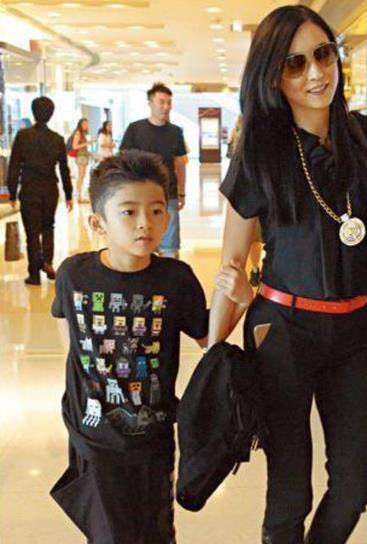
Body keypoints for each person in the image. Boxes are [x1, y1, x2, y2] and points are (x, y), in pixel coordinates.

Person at [208, 5, 367, 543]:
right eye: (295, 64)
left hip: (356, 329)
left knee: (355, 484)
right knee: (290, 492)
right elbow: (232, 262)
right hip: (283, 332)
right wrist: (213, 351)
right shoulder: (259, 152)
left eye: (323, 55)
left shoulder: (365, 136)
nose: (316, 73)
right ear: (272, 76)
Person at [49, 150, 209, 543]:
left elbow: (209, 339)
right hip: (93, 436)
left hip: (153, 436)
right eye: (129, 212)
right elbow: (67, 328)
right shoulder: (74, 274)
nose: (145, 223)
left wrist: (236, 298)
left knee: (156, 532)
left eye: (156, 211)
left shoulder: (176, 279)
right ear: (97, 222)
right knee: (110, 535)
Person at [7, 96, 73, 285]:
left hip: (30, 189)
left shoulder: (23, 136)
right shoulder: (57, 139)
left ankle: (34, 274)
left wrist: (12, 192)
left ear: (33, 112)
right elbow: (64, 169)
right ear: (51, 114)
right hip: (50, 189)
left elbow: (14, 166)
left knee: (32, 233)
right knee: (48, 226)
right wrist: (68, 194)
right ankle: (47, 262)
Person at [120, 82, 187, 259]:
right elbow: (124, 160)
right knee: (140, 241)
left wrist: (182, 192)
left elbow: (180, 163)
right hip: (138, 194)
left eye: (169, 103)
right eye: (161, 102)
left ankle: (170, 276)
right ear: (150, 103)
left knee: (170, 246)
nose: (166, 107)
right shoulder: (135, 129)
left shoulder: (176, 132)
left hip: (168, 194)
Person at [71, 118, 91, 203]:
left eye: (87, 124)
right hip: (81, 157)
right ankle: (79, 196)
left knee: (81, 177)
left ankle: (79, 196)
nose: (86, 126)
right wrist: (86, 143)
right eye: (85, 124)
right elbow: (74, 146)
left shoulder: (82, 134)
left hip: (83, 156)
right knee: (80, 177)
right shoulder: (78, 133)